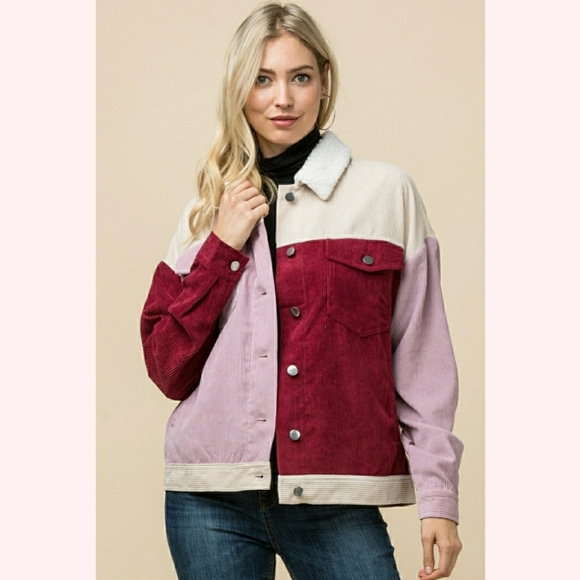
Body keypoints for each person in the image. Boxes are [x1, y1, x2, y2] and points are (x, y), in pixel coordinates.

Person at [140, 3, 463, 579]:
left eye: (300, 77)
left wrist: (438, 496)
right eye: (262, 79)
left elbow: (423, 355)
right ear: (239, 89)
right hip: (208, 499)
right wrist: (222, 245)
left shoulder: (385, 193)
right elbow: (168, 368)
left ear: (324, 82)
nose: (282, 99)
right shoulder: (205, 212)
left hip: (336, 495)